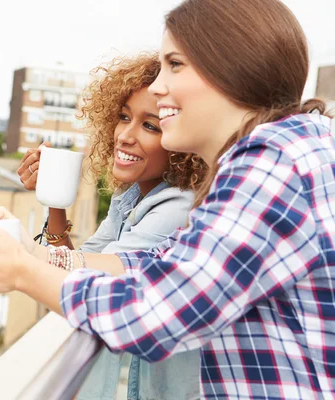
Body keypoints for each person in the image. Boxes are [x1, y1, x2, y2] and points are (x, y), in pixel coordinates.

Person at [0, 0, 335, 398]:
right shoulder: (291, 150)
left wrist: (22, 273)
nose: (157, 86)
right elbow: (157, 263)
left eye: (175, 64)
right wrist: (26, 252)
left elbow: (158, 314)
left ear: (232, 68)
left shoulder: (271, 165)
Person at [15, 54, 205, 400]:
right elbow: (82, 262)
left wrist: (15, 264)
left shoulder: (178, 205)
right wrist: (55, 199)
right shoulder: (131, 196)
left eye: (150, 126)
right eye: (123, 117)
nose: (125, 136)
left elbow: (90, 283)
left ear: (180, 142)